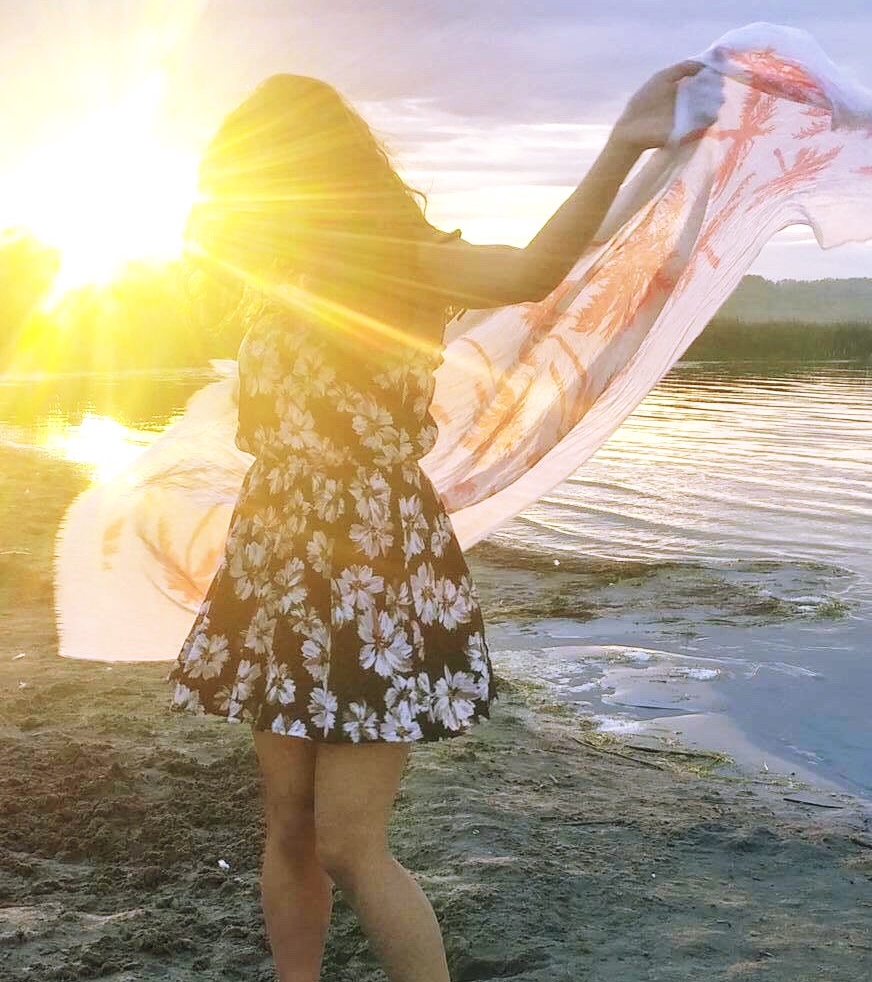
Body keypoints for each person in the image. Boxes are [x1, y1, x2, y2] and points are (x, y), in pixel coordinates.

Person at [167, 61, 702, 982]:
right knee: (288, 822)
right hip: (277, 555)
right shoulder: (273, 279)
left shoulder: (399, 260)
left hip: (375, 562)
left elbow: (532, 272)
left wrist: (621, 143)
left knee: (348, 842)